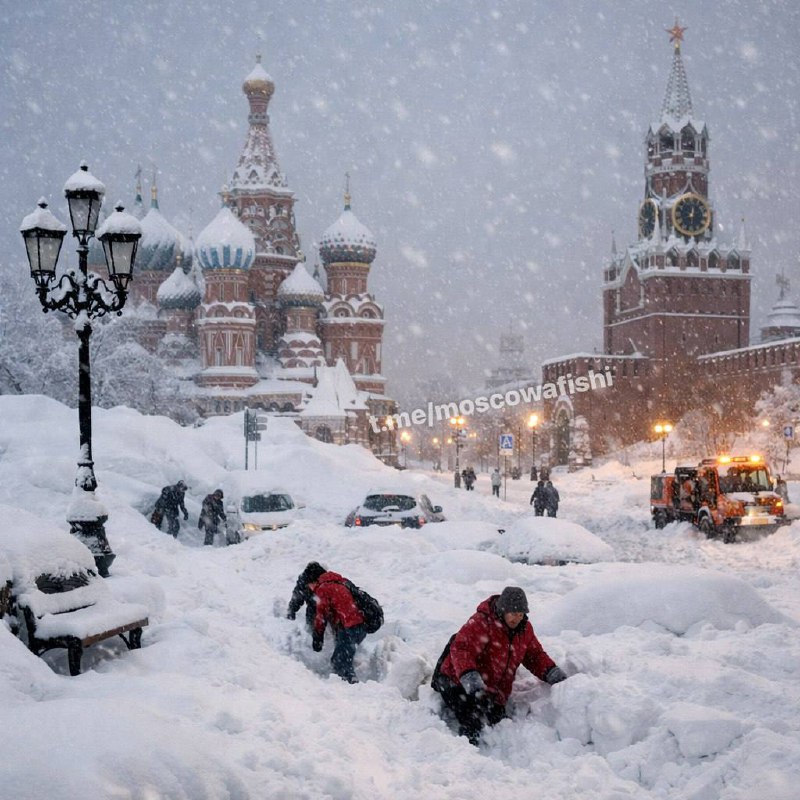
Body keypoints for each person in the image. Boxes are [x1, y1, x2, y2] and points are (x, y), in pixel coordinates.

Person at [432, 586, 567, 746]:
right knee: (473, 722)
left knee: (496, 720)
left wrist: (552, 673)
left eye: (520, 614)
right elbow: (462, 648)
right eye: (512, 613)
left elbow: (535, 656)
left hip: (490, 689)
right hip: (456, 681)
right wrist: (471, 679)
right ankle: (466, 755)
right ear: (503, 610)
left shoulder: (524, 630)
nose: (516, 618)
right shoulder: (482, 622)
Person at [296, 562, 368, 683]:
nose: (311, 589)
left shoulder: (323, 589)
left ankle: (352, 690)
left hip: (350, 627)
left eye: (310, 586)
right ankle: (349, 684)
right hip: (360, 626)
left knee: (340, 662)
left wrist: (317, 639)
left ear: (314, 580)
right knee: (343, 658)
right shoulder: (341, 581)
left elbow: (320, 617)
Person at [287, 561, 325, 630]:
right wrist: (291, 612)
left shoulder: (327, 583)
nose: (314, 586)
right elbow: (296, 599)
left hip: (326, 606)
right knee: (312, 610)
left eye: (316, 583)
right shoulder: (303, 583)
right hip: (312, 604)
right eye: (312, 584)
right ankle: (310, 630)